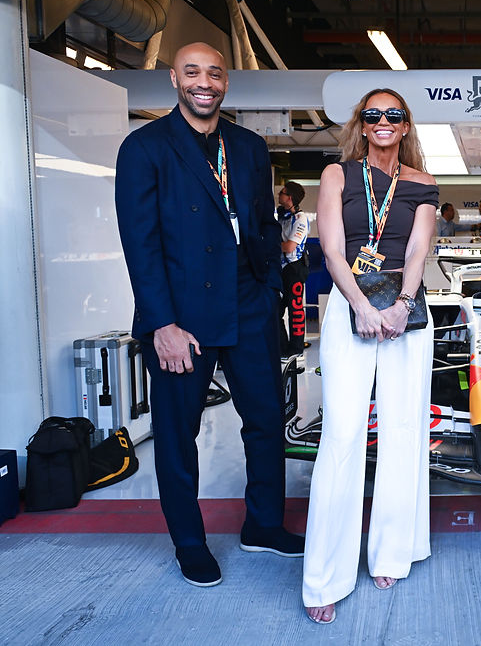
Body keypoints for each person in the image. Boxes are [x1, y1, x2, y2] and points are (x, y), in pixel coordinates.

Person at [114, 42, 303, 588]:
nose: (205, 82)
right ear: (174, 78)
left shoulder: (248, 146)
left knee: (267, 422)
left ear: (226, 82)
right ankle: (190, 543)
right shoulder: (145, 147)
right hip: (181, 316)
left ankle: (264, 525)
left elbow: (264, 227)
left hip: (247, 307)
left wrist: (270, 290)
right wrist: (161, 324)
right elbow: (140, 246)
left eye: (215, 74)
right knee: (179, 436)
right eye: (192, 72)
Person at [303, 88, 437, 625]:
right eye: (373, 114)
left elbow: (418, 249)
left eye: (394, 115)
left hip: (407, 312)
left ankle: (391, 550)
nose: (383, 121)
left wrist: (402, 305)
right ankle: (326, 575)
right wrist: (360, 305)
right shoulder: (337, 175)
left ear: (405, 126)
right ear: (361, 123)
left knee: (405, 430)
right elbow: (332, 249)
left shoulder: (423, 183)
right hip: (348, 306)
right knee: (342, 435)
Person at [277, 180, 311, 361]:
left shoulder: (301, 218)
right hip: (279, 268)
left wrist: (269, 245)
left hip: (295, 267)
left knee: (295, 309)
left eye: (282, 193)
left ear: (289, 197)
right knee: (275, 310)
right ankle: (283, 349)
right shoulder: (280, 215)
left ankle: (296, 349)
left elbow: (290, 246)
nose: (279, 195)